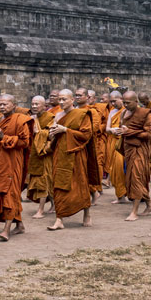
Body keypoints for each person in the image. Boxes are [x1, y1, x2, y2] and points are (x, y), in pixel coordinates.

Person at [47, 89, 98, 231]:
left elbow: (86, 135)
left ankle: (86, 214)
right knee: (58, 184)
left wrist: (65, 130)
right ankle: (59, 219)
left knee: (80, 184)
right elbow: (53, 136)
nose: (61, 102)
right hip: (60, 154)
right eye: (60, 99)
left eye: (65, 99)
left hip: (76, 154)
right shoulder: (57, 115)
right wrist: (52, 134)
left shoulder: (82, 114)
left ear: (72, 100)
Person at [0, 95, 30, 241]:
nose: (2, 107)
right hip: (0, 162)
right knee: (4, 191)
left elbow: (25, 142)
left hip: (13, 161)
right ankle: (19, 225)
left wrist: (3, 137)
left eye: (5, 104)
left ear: (14, 105)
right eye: (0, 104)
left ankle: (6, 230)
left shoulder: (21, 120)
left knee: (10, 193)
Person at [119, 92, 151, 221]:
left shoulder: (146, 113)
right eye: (124, 102)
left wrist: (129, 132)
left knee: (136, 178)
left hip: (140, 149)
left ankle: (134, 212)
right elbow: (123, 129)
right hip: (128, 149)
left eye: (128, 102)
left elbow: (149, 134)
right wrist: (119, 131)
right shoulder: (124, 113)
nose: (125, 105)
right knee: (133, 178)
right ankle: (149, 204)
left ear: (136, 101)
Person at [27, 96, 55, 219]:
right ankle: (54, 205)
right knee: (46, 180)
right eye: (32, 104)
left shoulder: (50, 118)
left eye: (37, 104)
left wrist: (38, 132)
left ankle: (41, 210)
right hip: (35, 153)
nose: (34, 106)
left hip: (45, 153)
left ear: (44, 106)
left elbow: (52, 134)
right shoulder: (32, 118)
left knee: (43, 181)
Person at [104, 92, 128, 204]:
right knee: (113, 169)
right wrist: (112, 130)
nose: (113, 104)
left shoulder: (127, 110)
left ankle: (128, 193)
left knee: (121, 168)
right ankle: (120, 196)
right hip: (113, 142)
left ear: (121, 99)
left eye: (115, 101)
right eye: (111, 101)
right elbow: (107, 128)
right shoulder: (112, 112)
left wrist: (123, 131)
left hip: (124, 143)